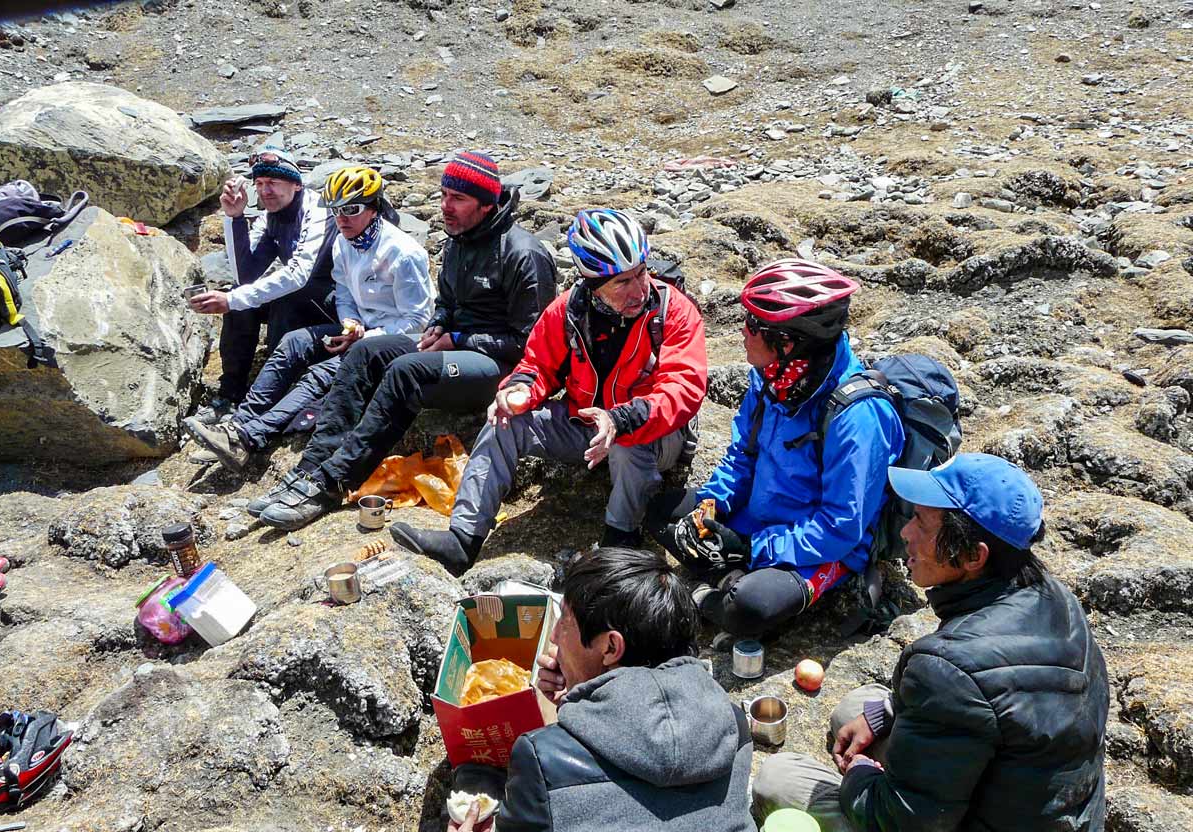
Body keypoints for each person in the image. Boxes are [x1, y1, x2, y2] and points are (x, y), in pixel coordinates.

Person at [752, 453, 1109, 832]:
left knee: (778, 781)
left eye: (921, 522)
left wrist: (862, 777)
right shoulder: (1054, 598)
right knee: (858, 706)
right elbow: (991, 706)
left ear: (973, 556)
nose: (905, 532)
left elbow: (908, 830)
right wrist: (886, 714)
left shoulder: (949, 668)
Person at [372, 547, 759, 832]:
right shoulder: (732, 721)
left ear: (611, 647)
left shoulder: (547, 760)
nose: (555, 636)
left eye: (565, 623)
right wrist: (576, 703)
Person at [388, 209, 707, 575]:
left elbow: (683, 388)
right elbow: (536, 364)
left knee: (627, 440)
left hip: (653, 433)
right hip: (583, 423)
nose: (639, 289)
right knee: (503, 423)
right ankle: (463, 539)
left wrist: (618, 419)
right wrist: (518, 392)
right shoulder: (570, 310)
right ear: (592, 282)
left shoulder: (674, 312)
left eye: (641, 272)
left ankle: (621, 541)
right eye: (622, 282)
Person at [253, 151, 557, 530]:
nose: (446, 207)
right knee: (365, 352)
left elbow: (532, 345)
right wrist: (440, 324)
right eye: (444, 195)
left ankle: (331, 483)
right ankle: (308, 469)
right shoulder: (459, 239)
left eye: (458, 199)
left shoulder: (523, 255)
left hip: (502, 369)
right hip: (454, 347)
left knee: (406, 371)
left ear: (487, 203)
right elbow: (445, 300)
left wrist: (458, 336)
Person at [648, 259, 904, 639]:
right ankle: (728, 575)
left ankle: (716, 592)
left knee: (750, 607)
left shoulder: (858, 417)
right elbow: (743, 456)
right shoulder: (771, 378)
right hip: (759, 514)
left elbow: (840, 527)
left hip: (821, 547)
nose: (742, 331)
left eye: (754, 326)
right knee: (659, 512)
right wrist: (714, 505)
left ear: (788, 343)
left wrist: (751, 549)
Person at [184, 166, 433, 470]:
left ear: (374, 208)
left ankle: (249, 437)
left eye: (351, 210)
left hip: (394, 339)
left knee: (322, 374)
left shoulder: (403, 253)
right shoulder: (345, 241)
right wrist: (350, 323)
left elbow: (419, 320)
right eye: (336, 210)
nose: (341, 219)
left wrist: (366, 338)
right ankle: (238, 422)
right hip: (360, 328)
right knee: (294, 342)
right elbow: (344, 292)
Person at [187, 145, 338, 423]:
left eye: (273, 183)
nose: (265, 191)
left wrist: (232, 299)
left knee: (283, 297)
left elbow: (299, 273)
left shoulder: (317, 210)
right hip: (304, 296)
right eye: (259, 184)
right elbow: (245, 275)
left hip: (338, 304)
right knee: (240, 297)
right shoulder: (271, 217)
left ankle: (270, 395)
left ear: (296, 184)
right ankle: (230, 393)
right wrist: (234, 218)